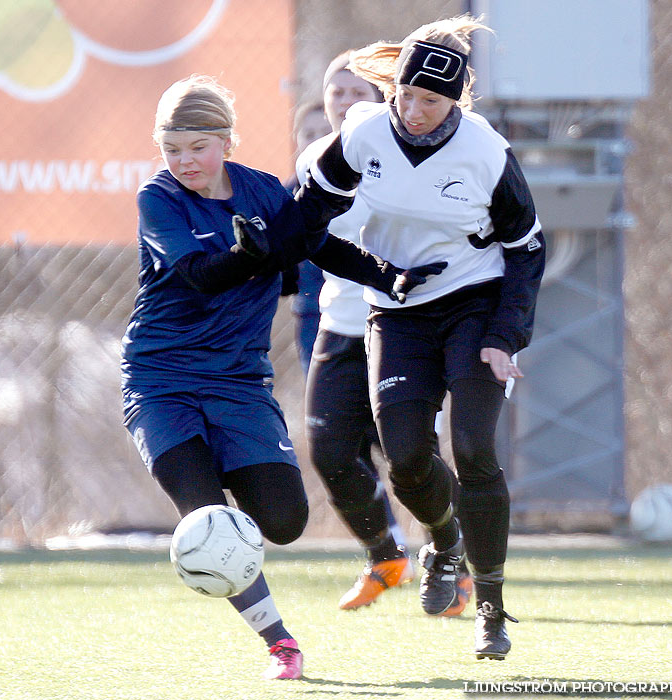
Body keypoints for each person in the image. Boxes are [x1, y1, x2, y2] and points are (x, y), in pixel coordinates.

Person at [120, 74, 445, 680]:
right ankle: (281, 643)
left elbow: (318, 246)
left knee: (284, 522)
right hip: (161, 378)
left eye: (198, 146)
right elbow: (200, 275)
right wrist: (249, 256)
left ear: (227, 142)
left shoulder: (266, 191)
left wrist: (389, 275)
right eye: (172, 148)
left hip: (239, 382)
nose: (185, 160)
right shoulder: (158, 199)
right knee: (209, 520)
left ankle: (234, 514)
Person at [291, 16, 546, 659]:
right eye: (405, 96)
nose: (413, 110)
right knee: (404, 456)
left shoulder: (487, 152)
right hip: (397, 311)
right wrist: (259, 251)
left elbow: (526, 249)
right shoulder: (365, 132)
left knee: (473, 449)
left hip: (476, 305)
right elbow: (309, 209)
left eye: (430, 101)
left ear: (455, 102)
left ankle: (491, 609)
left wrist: (505, 336)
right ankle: (443, 540)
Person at [298, 51, 476, 614]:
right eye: (336, 91)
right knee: (328, 450)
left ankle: (451, 559)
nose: (346, 101)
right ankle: (385, 555)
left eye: (358, 92)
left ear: (383, 101)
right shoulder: (313, 163)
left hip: (406, 328)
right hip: (340, 324)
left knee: (411, 459)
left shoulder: (410, 160)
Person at [283, 102, 331, 375]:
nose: (316, 141)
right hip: (312, 313)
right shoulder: (285, 195)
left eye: (325, 131)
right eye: (308, 133)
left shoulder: (366, 183)